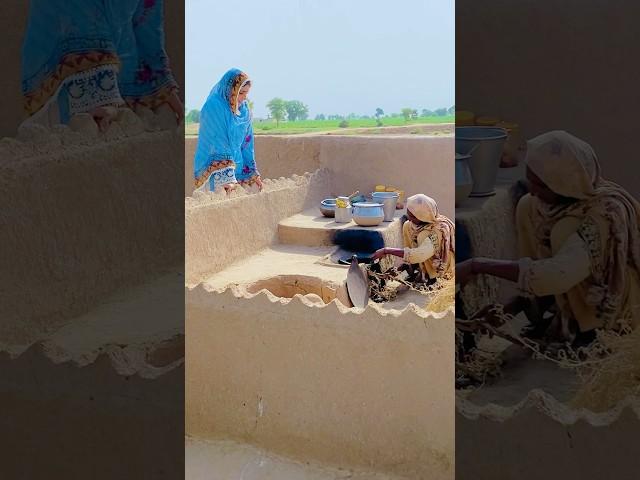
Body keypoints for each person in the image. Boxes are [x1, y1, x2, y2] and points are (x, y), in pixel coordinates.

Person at [457, 130, 640, 347]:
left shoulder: (605, 213)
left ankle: (588, 329)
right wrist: (511, 309)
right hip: (564, 293)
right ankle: (562, 317)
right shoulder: (537, 205)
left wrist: (477, 265)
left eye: (542, 185)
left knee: (563, 229)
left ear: (564, 185)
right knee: (526, 205)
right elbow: (538, 270)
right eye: (530, 180)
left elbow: (557, 275)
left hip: (610, 310)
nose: (533, 191)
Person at [21, 0, 183, 131]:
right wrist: (100, 95)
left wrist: (158, 85)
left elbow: (147, 12)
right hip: (67, 68)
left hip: (121, 71)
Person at [193, 68, 263, 194]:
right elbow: (219, 142)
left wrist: (252, 174)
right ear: (230, 89)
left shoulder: (244, 111)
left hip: (237, 168)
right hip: (215, 169)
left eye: (246, 93)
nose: (243, 98)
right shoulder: (214, 107)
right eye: (240, 93)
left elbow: (247, 144)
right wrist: (226, 178)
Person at [372, 194, 455, 283]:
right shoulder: (409, 225)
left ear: (423, 216)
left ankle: (432, 278)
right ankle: (420, 273)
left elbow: (419, 255)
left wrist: (386, 250)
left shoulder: (439, 230)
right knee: (408, 226)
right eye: (409, 215)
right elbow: (410, 253)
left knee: (422, 236)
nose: (410, 219)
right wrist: (402, 269)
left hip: (440, 271)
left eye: (413, 217)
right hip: (420, 264)